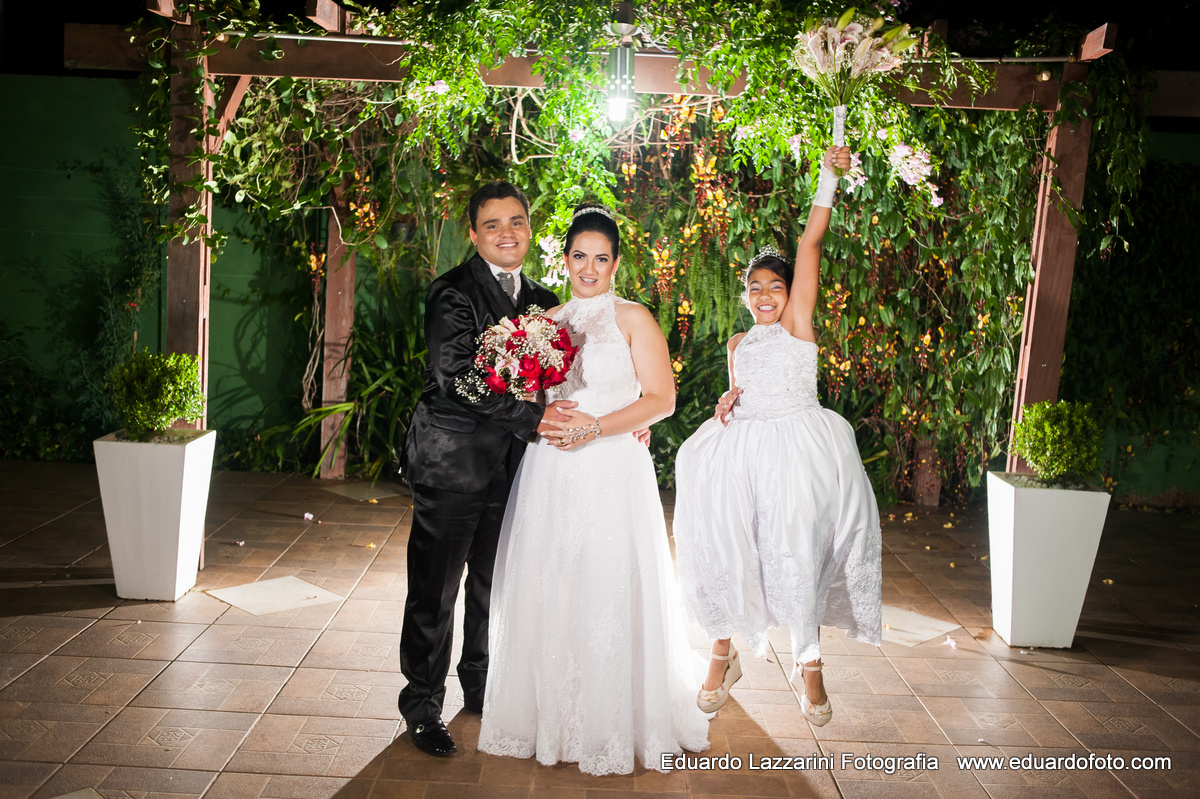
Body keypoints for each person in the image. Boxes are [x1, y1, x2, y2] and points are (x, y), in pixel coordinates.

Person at [477, 202, 710, 775]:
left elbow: (661, 399)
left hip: (610, 468)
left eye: (600, 258)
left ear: (615, 264)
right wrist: (542, 417)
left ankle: (616, 717)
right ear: (564, 259)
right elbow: (529, 396)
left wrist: (599, 429)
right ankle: (553, 715)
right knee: (554, 581)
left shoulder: (634, 318)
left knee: (609, 582)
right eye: (579, 256)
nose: (588, 268)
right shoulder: (545, 322)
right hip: (552, 472)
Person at [673, 147, 883, 727]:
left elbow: (810, 244)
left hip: (796, 452)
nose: (765, 295)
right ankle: (723, 651)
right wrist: (729, 399)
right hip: (742, 453)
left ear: (791, 293)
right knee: (730, 545)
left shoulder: (796, 326)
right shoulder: (739, 345)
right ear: (745, 293)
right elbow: (742, 392)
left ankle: (809, 662)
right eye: (755, 287)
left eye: (775, 286)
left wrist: (827, 177)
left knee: (795, 550)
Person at [398, 181, 574, 758]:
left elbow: (566, 378)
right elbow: (458, 377)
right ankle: (423, 705)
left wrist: (621, 419)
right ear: (473, 234)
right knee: (435, 588)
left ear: (531, 228)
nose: (507, 233)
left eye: (517, 222)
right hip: (452, 463)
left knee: (493, 586)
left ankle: (480, 687)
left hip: (518, 469)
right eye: (493, 224)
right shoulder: (452, 292)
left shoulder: (546, 302)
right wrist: (531, 416)